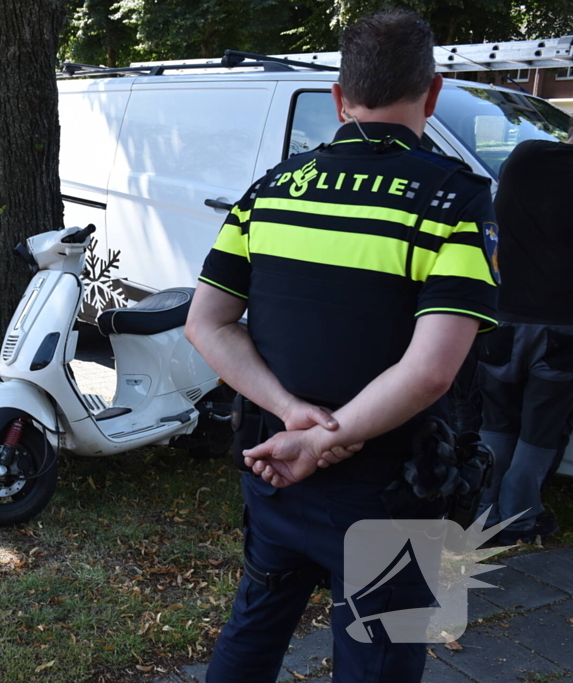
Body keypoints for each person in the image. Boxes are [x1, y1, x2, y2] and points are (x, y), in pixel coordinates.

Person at [184, 10, 498, 683]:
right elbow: (433, 371)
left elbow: (205, 322)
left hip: (273, 472)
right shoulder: (455, 201)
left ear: (338, 97)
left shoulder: (269, 191)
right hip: (391, 496)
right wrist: (326, 438)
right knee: (379, 660)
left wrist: (292, 414)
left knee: (253, 629)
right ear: (432, 93)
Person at [476, 118, 573, 545]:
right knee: (542, 426)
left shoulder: (526, 155)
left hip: (501, 318)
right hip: (561, 329)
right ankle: (517, 518)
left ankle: (479, 510)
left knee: (496, 419)